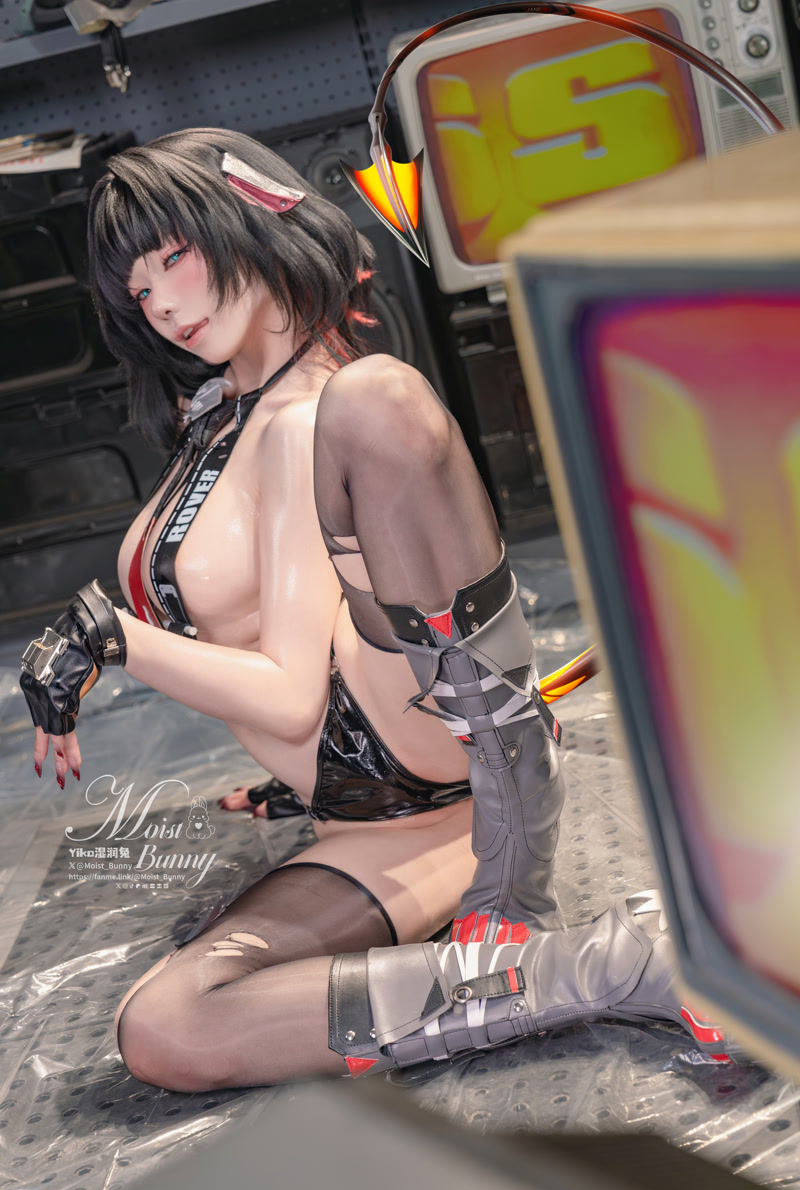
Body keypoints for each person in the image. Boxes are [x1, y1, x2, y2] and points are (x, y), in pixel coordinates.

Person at [18, 127, 732, 1091]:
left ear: (249, 220)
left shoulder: (310, 414)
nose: (163, 304)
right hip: (366, 823)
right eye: (139, 291)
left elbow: (288, 693)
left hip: (436, 780)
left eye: (174, 257)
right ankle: (603, 969)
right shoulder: (216, 418)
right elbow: (277, 662)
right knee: (165, 1029)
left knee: (378, 397)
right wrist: (297, 778)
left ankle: (519, 843)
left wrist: (110, 637)